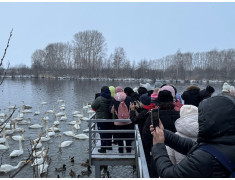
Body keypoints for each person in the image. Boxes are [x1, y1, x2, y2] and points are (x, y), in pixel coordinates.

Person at [150, 95, 235, 178]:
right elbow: (195, 146)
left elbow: (169, 174)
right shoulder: (226, 143)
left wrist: (158, 146)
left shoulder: (205, 159)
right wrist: (164, 134)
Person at [141, 90, 180, 177]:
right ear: (172, 101)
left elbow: (146, 135)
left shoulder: (154, 116)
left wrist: (151, 148)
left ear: (158, 101)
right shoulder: (179, 115)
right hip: (177, 154)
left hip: (158, 153)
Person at [110, 86, 134, 153]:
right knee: (128, 137)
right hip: (128, 121)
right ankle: (128, 150)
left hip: (118, 122)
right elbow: (132, 108)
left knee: (119, 137)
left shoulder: (114, 99)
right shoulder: (128, 98)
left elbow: (111, 110)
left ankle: (121, 150)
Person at [91, 86, 113, 153]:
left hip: (101, 119)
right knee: (109, 132)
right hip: (109, 118)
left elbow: (93, 106)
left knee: (102, 133)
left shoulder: (99, 99)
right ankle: (109, 146)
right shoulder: (111, 98)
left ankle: (103, 148)